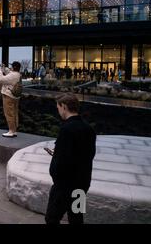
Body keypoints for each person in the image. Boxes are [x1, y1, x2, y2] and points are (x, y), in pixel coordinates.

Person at [45, 93, 96, 224]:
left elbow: (61, 162)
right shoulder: (88, 129)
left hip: (64, 186)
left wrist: (55, 164)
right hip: (82, 183)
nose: (58, 111)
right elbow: (89, 154)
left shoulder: (66, 129)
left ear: (64, 107)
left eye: (58, 108)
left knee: (52, 218)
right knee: (76, 218)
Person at [0, 62, 22, 138]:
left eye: (12, 66)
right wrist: (4, 68)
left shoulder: (13, 75)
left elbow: (0, 79)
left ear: (14, 67)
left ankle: (11, 131)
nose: (10, 68)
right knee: (14, 113)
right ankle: (14, 130)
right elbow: (9, 72)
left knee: (9, 113)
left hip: (9, 96)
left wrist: (0, 71)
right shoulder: (18, 74)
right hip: (15, 97)